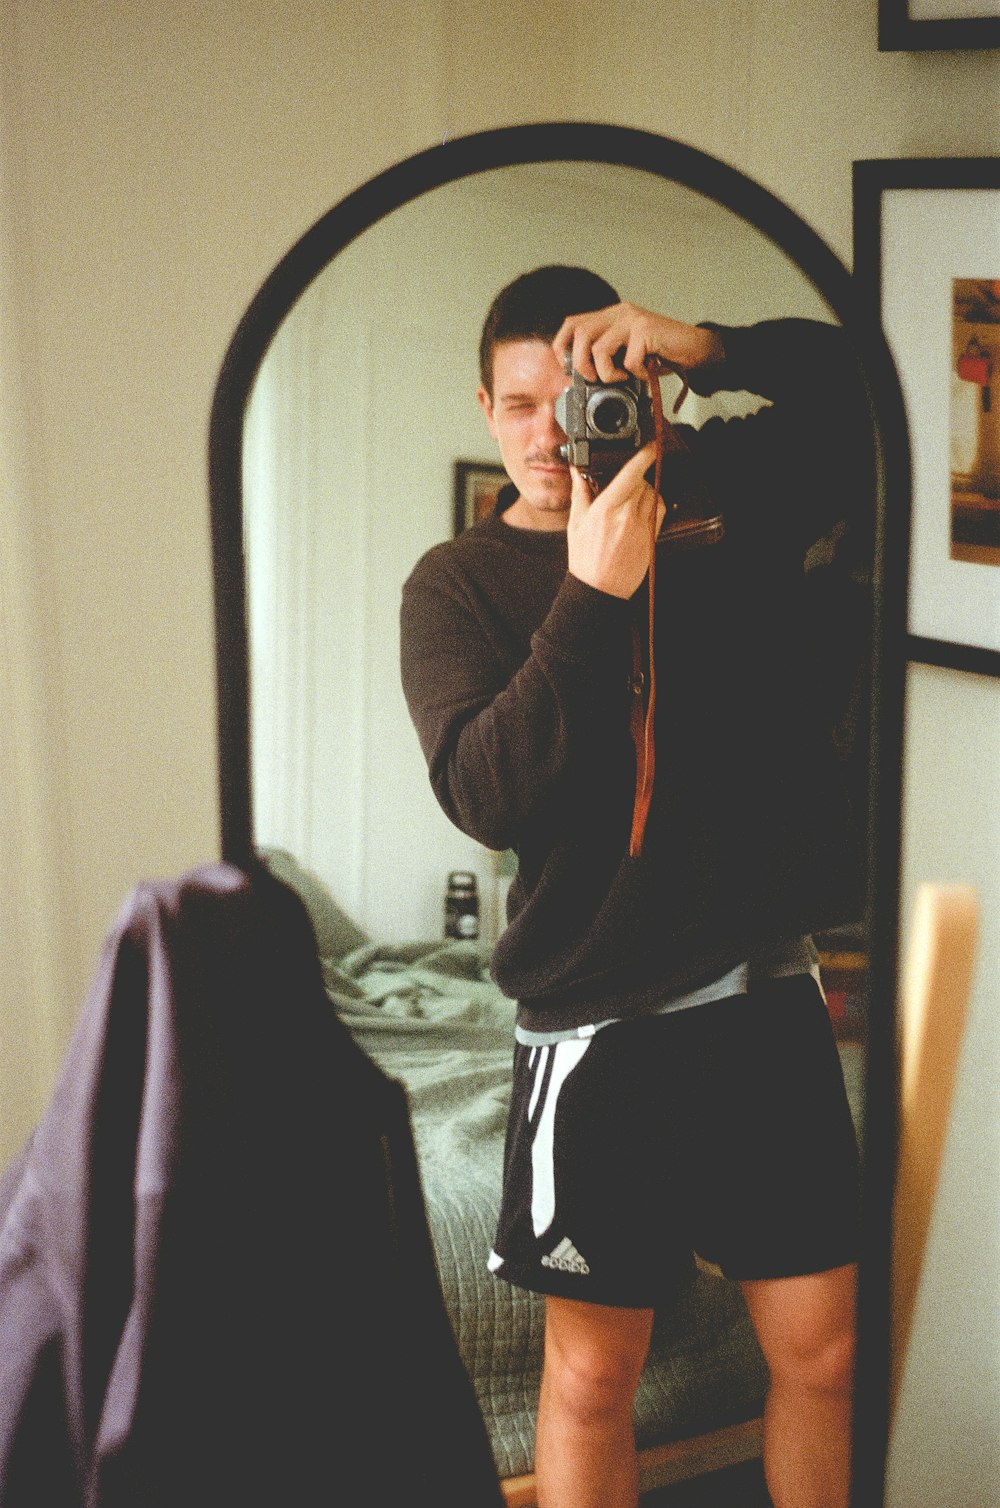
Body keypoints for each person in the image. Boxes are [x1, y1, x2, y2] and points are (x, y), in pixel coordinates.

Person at [400, 265, 872, 1508]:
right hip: (593, 1015)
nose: (551, 433)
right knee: (595, 1374)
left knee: (826, 1351)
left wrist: (705, 342)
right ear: (487, 410)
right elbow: (487, 791)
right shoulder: (453, 583)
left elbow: (876, 396)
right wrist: (592, 591)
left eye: (581, 395)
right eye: (517, 406)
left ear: (634, 389)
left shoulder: (717, 492)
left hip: (763, 991)